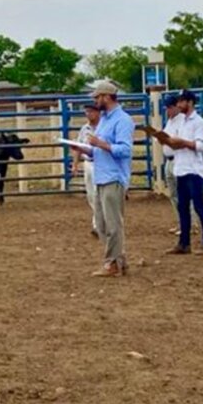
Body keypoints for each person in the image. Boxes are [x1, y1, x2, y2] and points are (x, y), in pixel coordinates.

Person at [84, 79, 134, 277]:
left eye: (97, 96)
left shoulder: (122, 120)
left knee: (113, 223)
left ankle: (112, 263)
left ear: (107, 97)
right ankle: (118, 259)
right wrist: (89, 150)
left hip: (113, 177)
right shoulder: (105, 119)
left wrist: (101, 144)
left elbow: (125, 150)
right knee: (103, 224)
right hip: (102, 176)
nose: (95, 100)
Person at [165, 89, 203, 256]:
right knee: (183, 207)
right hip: (181, 167)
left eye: (182, 101)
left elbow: (201, 146)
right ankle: (184, 242)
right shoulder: (181, 122)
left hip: (193, 169)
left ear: (190, 102)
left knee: (199, 206)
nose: (179, 104)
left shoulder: (199, 122)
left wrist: (183, 142)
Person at [73, 102, 101, 237]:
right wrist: (75, 164)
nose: (88, 114)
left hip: (100, 163)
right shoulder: (85, 128)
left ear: (97, 112)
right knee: (91, 194)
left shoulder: (103, 127)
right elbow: (79, 145)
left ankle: (98, 224)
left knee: (97, 193)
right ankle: (98, 221)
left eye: (90, 111)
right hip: (88, 163)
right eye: (86, 112)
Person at [161, 92, 182, 233]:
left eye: (169, 107)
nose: (167, 111)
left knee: (182, 193)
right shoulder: (170, 121)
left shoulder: (182, 121)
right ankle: (181, 222)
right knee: (174, 194)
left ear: (176, 107)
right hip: (169, 159)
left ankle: (191, 223)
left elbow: (178, 140)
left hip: (178, 158)